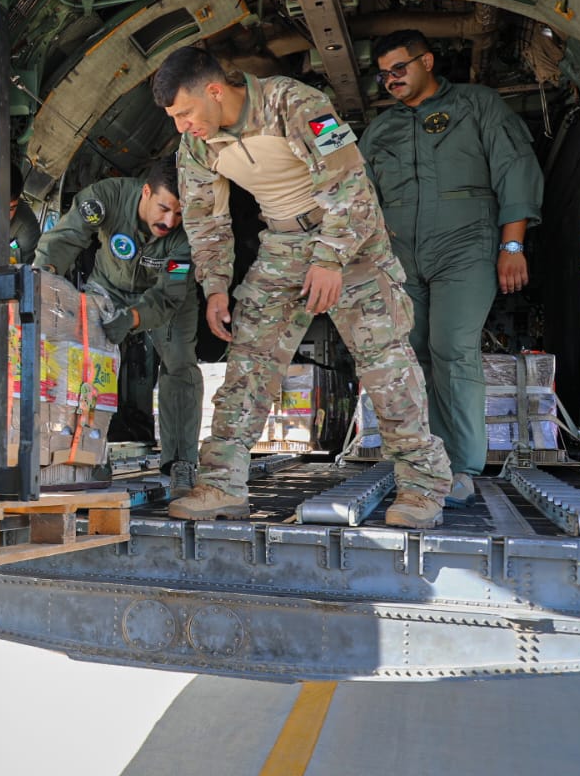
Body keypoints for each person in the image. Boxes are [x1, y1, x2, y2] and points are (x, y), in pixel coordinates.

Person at [151, 47, 451, 528]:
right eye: (173, 118)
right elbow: (207, 221)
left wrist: (331, 259)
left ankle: (422, 487)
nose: (182, 126)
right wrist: (217, 288)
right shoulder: (196, 146)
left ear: (214, 91)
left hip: (351, 238)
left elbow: (349, 181)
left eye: (185, 114)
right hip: (284, 242)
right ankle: (222, 484)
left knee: (385, 365)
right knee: (249, 359)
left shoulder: (292, 103)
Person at [359, 29, 544, 505]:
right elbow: (359, 201)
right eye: (383, 75)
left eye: (399, 69)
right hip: (402, 258)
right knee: (414, 355)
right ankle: (428, 463)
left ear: (427, 60)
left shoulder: (477, 105)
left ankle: (462, 467)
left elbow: (514, 169)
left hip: (465, 247)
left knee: (451, 347)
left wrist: (513, 247)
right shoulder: (380, 130)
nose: (391, 80)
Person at [34, 158, 203, 491]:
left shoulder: (184, 237)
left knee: (180, 364)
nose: (170, 221)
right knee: (87, 361)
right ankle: (91, 454)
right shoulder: (106, 197)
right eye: (164, 208)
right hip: (109, 286)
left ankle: (180, 462)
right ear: (145, 192)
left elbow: (168, 296)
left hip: (165, 299)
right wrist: (41, 279)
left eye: (179, 213)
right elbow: (65, 238)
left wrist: (133, 319)